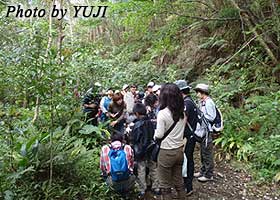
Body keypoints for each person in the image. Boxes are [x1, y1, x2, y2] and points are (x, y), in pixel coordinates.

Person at [154, 83, 186, 200]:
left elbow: (159, 135)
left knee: (165, 186)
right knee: (179, 182)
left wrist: (154, 133)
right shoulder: (182, 113)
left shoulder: (162, 114)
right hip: (179, 151)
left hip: (166, 152)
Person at [175, 80, 199, 196]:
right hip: (192, 135)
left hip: (188, 136)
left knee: (187, 160)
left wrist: (178, 135)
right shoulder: (191, 101)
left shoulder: (186, 104)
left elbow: (183, 121)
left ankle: (188, 187)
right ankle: (188, 184)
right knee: (189, 159)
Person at [131, 103, 160, 198]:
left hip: (140, 150)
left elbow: (134, 139)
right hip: (151, 148)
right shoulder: (151, 122)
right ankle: (156, 187)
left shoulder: (137, 125)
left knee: (141, 169)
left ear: (137, 113)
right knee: (153, 167)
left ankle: (142, 189)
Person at [193, 83, 216, 182]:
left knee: (207, 153)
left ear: (203, 92)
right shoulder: (203, 102)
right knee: (203, 152)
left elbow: (212, 117)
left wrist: (201, 115)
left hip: (207, 131)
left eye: (198, 92)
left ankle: (208, 174)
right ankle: (203, 171)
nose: (197, 94)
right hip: (202, 131)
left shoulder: (209, 102)